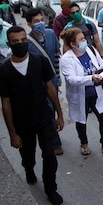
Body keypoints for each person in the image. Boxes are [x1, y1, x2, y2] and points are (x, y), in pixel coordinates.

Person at [0, 26, 65, 205]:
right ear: (9, 44)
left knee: (49, 155)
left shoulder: (39, 61)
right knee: (28, 155)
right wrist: (12, 133)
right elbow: (6, 103)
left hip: (43, 118)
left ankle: (50, 189)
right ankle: (28, 168)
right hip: (22, 123)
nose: (20, 44)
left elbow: (50, 88)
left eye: (23, 40)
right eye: (15, 42)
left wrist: (59, 115)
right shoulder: (4, 72)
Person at [59, 28, 103, 156]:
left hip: (96, 92)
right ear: (72, 44)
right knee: (82, 120)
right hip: (80, 95)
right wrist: (91, 78)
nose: (84, 41)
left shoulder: (90, 50)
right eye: (81, 39)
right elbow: (72, 79)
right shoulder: (66, 59)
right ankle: (84, 143)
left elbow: (100, 66)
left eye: (84, 38)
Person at [25, 8, 64, 155]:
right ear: (29, 24)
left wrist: (58, 77)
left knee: (54, 108)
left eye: (42, 20)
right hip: (39, 85)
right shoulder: (27, 42)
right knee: (48, 111)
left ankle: (53, 130)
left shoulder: (50, 34)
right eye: (36, 21)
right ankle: (55, 142)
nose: (40, 23)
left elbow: (56, 56)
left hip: (53, 80)